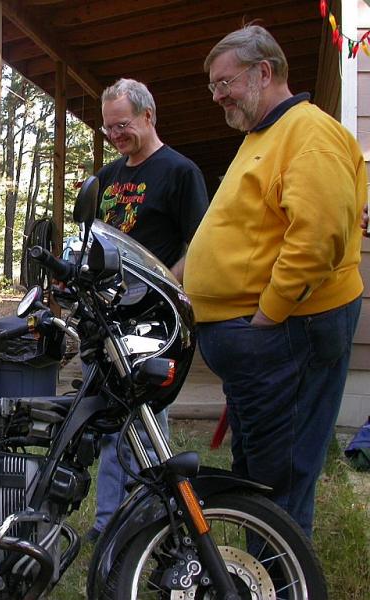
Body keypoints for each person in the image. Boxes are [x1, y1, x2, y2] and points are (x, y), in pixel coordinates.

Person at [184, 25, 365, 537]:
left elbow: (318, 238)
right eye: (213, 86)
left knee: (278, 480)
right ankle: (264, 572)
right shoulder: (262, 135)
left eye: (225, 82)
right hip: (263, 345)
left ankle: (282, 581)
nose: (218, 95)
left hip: (286, 335)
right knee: (260, 474)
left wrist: (268, 315)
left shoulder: (310, 133)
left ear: (264, 72)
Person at [86, 78, 209, 542]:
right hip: (107, 316)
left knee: (145, 421)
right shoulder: (110, 175)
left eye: (123, 125)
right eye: (108, 128)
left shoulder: (179, 171)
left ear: (148, 116)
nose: (116, 135)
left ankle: (151, 517)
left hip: (150, 318)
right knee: (108, 422)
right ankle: (108, 523)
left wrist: (163, 287)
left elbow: (200, 245)